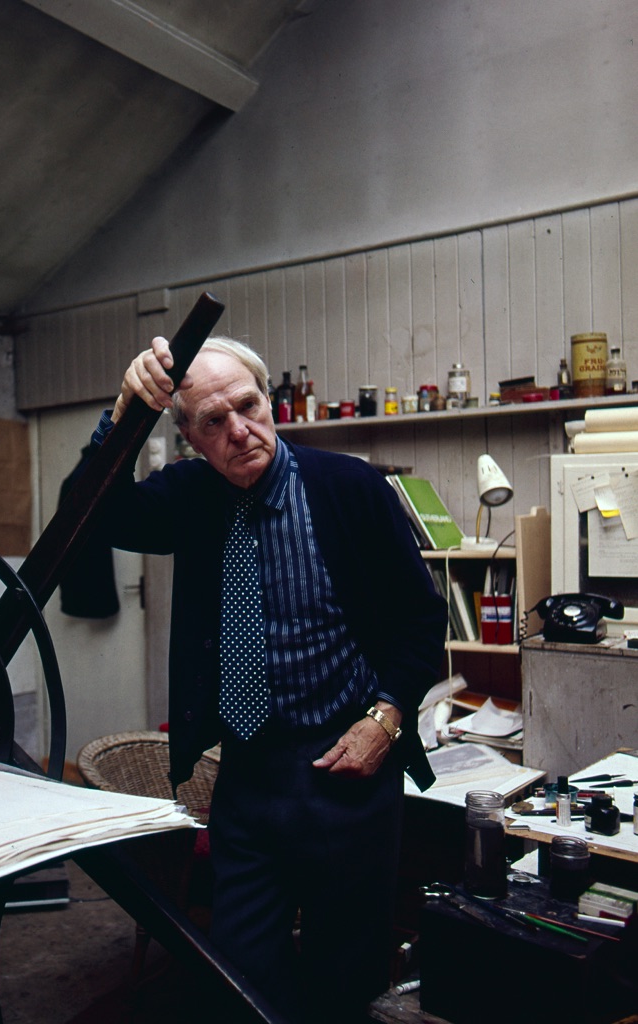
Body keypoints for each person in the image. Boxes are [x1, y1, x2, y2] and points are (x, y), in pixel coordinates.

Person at [81, 334, 448, 1023]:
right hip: (248, 777)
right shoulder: (188, 495)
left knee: (344, 980)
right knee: (239, 981)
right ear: (188, 437)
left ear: (269, 400)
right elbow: (90, 515)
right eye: (212, 423)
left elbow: (418, 623)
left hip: (352, 773)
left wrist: (385, 718)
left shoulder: (350, 488)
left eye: (246, 407)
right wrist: (127, 409)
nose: (239, 432)